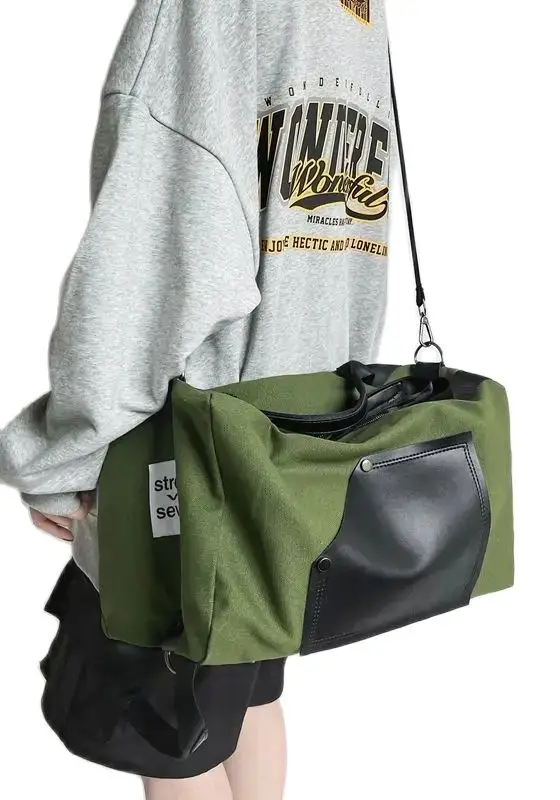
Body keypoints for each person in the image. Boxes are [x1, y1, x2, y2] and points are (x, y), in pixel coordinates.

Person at [0, 1, 395, 797]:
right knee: (245, 693)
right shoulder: (355, 11)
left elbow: (150, 267)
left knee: (169, 728)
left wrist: (61, 459)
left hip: (192, 459)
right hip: (295, 451)